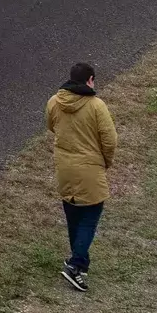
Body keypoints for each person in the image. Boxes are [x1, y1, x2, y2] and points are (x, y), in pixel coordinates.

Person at [47, 63, 118, 292]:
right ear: (90, 80)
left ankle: (80, 262)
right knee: (90, 216)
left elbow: (51, 125)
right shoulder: (96, 106)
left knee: (73, 216)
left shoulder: (54, 102)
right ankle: (76, 264)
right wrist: (105, 161)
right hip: (90, 169)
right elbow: (109, 140)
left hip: (64, 168)